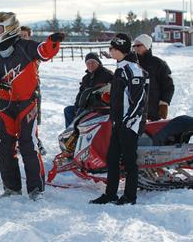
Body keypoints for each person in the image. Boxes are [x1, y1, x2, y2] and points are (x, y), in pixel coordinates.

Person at [0, 12, 64, 201]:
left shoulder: (26, 46)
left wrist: (53, 41)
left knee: (28, 144)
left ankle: (36, 189)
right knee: (5, 146)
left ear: (9, 28)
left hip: (26, 103)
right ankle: (11, 188)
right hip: (5, 104)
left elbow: (44, 51)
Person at [90, 33, 148, 205]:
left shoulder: (133, 69)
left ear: (120, 50)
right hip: (118, 122)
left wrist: (129, 121)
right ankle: (110, 194)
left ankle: (130, 197)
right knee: (112, 159)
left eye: (112, 48)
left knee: (129, 161)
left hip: (130, 123)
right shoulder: (120, 68)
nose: (110, 51)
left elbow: (139, 100)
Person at [63, 52, 114, 127]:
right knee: (68, 110)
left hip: (100, 107)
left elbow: (112, 89)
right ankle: (71, 133)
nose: (90, 64)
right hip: (86, 106)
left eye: (93, 62)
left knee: (80, 114)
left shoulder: (107, 74)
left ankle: (74, 132)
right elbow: (80, 94)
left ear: (98, 63)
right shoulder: (86, 78)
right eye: (88, 63)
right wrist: (77, 107)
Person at [133, 34, 174, 121]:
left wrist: (164, 103)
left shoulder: (159, 64)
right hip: (135, 112)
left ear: (147, 45)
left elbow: (168, 86)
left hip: (153, 111)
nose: (136, 48)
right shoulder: (132, 64)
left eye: (138, 45)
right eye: (134, 46)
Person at [19, 25, 47, 155]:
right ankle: (20, 141)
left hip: (32, 89)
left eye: (25, 36)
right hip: (16, 90)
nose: (22, 38)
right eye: (20, 36)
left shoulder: (32, 50)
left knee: (33, 118)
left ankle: (35, 142)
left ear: (29, 36)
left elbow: (43, 55)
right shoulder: (14, 50)